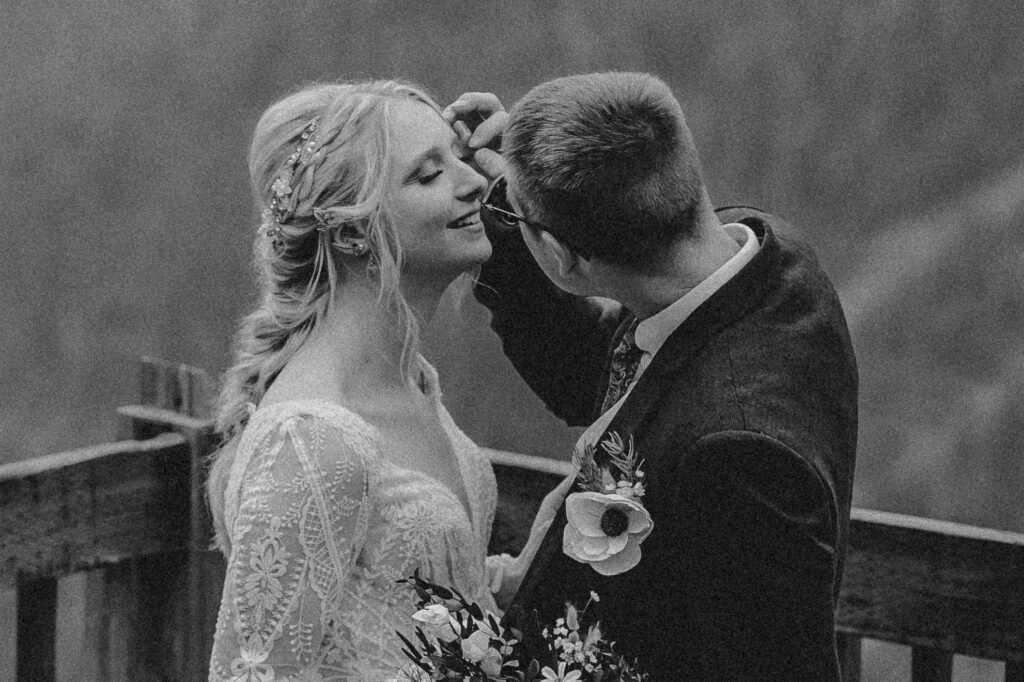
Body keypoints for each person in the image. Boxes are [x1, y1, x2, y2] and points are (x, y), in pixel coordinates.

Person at [444, 72, 858, 680]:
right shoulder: (761, 260)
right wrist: (523, 202)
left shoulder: (740, 459)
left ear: (559, 256)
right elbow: (590, 375)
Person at [206, 80, 559, 682]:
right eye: (427, 175)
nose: (476, 182)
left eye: (458, 159)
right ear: (349, 233)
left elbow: (391, 602)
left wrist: (519, 574)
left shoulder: (414, 381)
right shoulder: (312, 440)